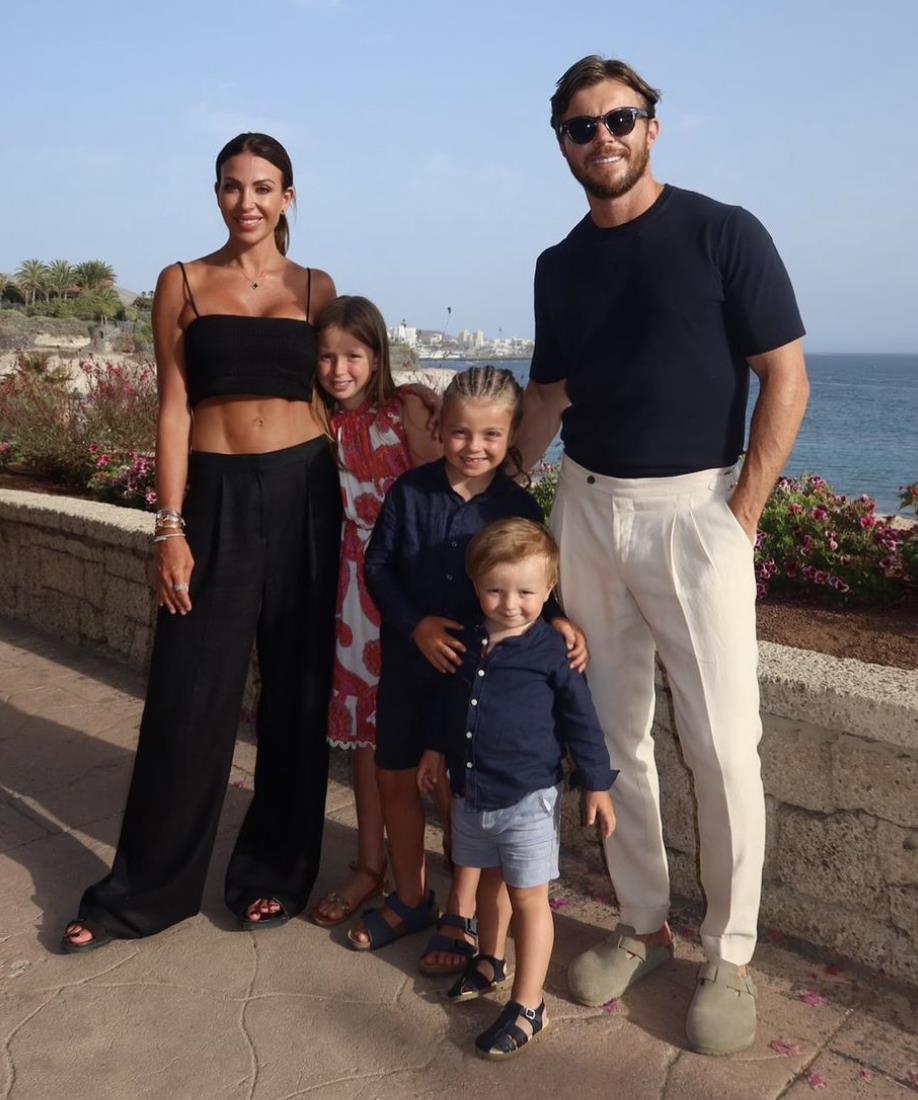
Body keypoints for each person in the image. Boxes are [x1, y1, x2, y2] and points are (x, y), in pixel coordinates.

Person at [517, 57, 810, 1054]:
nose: (602, 138)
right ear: (560, 141)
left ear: (652, 126)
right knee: (612, 734)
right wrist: (496, 481)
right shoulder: (560, 264)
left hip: (698, 513)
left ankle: (728, 951)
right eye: (580, 127)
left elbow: (785, 376)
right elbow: (549, 397)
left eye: (620, 119)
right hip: (589, 509)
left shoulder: (723, 231)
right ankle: (643, 922)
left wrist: (743, 514)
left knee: (725, 743)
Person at [62, 132, 342, 951]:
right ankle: (143, 891)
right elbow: (174, 410)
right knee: (188, 697)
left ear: (289, 196)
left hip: (304, 493)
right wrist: (170, 526)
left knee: (296, 693)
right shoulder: (180, 282)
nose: (246, 202)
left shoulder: (318, 287)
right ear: (215, 194)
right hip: (214, 498)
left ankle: (274, 871)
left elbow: (343, 400)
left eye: (263, 187)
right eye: (231, 186)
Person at [350, 366, 586, 965]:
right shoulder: (412, 492)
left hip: (477, 684)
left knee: (465, 797)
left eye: (490, 436)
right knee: (395, 777)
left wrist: (556, 616)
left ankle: (466, 919)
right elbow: (377, 568)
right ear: (438, 427)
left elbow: (533, 580)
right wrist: (417, 625)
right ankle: (408, 897)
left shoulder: (517, 506)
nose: (473, 448)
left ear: (511, 435)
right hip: (410, 666)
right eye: (459, 433)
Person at [418, 518, 617, 1059]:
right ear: (476, 584)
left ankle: (530, 1006)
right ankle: (489, 958)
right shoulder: (466, 637)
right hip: (470, 790)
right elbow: (448, 705)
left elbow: (583, 721)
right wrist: (435, 750)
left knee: (529, 899)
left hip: (528, 798)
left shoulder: (552, 652)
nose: (510, 604)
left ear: (548, 592)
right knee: (485, 883)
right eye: (495, 590)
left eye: (526, 592)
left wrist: (597, 785)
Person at [307, 295, 443, 928]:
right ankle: (369, 865)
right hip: (353, 598)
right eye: (327, 355)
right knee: (365, 739)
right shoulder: (318, 421)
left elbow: (441, 497)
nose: (339, 369)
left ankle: (450, 887)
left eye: (353, 355)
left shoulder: (407, 410)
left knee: (430, 738)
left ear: (378, 356)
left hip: (411, 589)